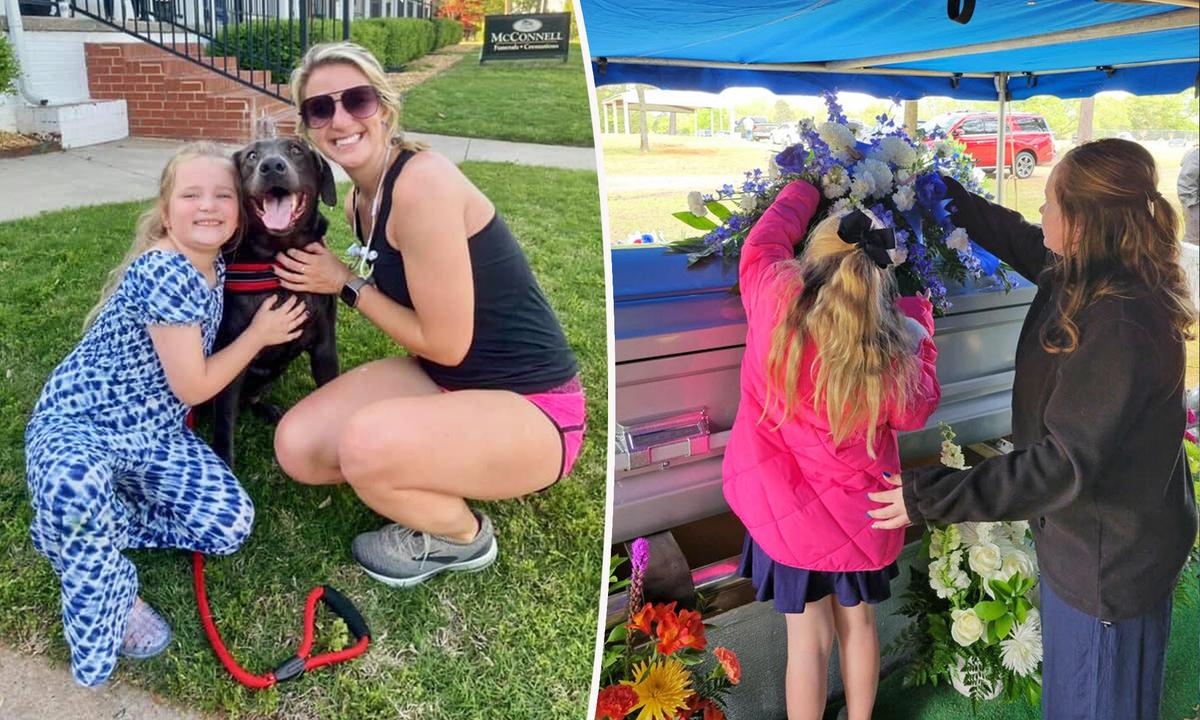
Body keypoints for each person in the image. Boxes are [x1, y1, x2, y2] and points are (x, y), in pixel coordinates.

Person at [868, 138, 1198, 720]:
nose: (1040, 211)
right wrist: (944, 196)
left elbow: (1062, 463)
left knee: (1098, 702)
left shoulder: (1118, 320)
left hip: (1109, 565)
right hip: (1093, 544)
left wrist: (928, 494)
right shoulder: (1090, 272)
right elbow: (1021, 237)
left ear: (1082, 221)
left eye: (1050, 200)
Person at [272, 42, 585, 588]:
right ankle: (419, 461)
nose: (340, 119)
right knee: (296, 446)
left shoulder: (422, 183)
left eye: (357, 100)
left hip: (534, 408)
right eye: (320, 108)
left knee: (363, 442)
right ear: (307, 127)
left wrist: (343, 282)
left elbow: (447, 344)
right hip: (447, 384)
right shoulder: (357, 203)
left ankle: (460, 535)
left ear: (385, 109)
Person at [23, 142, 308, 687]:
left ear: (242, 207)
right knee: (74, 482)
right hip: (80, 424)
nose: (208, 206)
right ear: (166, 207)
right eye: (191, 195)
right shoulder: (165, 271)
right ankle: (106, 586)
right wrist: (258, 335)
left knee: (228, 525)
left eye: (223, 195)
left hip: (152, 433)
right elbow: (195, 383)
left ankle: (82, 524)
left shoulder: (215, 260)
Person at [722, 180, 941, 720]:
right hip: (861, 519)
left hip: (784, 516)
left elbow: (763, 244)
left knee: (808, 640)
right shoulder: (891, 347)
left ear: (812, 258)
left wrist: (803, 190)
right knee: (860, 625)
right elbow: (917, 409)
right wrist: (923, 327)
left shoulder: (771, 296)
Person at [1179, 144, 1198, 246]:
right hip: (1195, 205)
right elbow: (1186, 180)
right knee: (1193, 241)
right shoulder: (1196, 155)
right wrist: (1192, 205)